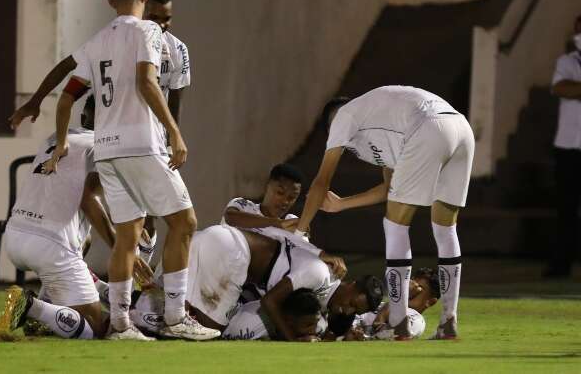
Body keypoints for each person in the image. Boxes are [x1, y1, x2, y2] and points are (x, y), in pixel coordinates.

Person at [45, 0, 217, 341]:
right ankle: (174, 318)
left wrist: (44, 114)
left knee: (128, 234)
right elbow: (147, 81)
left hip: (107, 147)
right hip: (142, 143)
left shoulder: (99, 39)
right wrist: (174, 131)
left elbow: (69, 89)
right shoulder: (148, 31)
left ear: (110, 1)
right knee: (184, 223)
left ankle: (121, 324)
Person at [295, 85, 474, 340]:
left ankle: (399, 323)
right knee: (446, 228)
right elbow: (389, 188)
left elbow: (321, 182)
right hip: (460, 129)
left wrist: (300, 232)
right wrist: (341, 204)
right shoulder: (380, 122)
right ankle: (448, 323)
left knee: (395, 226)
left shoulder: (343, 116)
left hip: (428, 127)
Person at [0, 96, 143, 340]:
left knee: (83, 240)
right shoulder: (104, 146)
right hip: (52, 245)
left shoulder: (55, 138)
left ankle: (44, 308)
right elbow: (88, 199)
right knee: (94, 326)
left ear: (83, 118)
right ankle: (30, 306)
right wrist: (121, 246)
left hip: (16, 234)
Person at [8, 0, 190, 129]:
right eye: (154, 17)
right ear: (142, 10)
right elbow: (66, 66)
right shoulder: (112, 40)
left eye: (167, 18)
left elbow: (175, 99)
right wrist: (35, 101)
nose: (161, 24)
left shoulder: (178, 49)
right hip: (116, 133)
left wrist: (172, 140)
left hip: (152, 137)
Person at [182, 224, 380, 341]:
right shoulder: (320, 274)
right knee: (211, 332)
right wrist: (292, 340)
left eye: (355, 312)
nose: (347, 311)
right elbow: (270, 301)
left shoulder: (324, 286)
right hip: (234, 252)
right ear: (351, 284)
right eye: (352, 303)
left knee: (188, 313)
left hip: (222, 240)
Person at [222, 163, 347, 277]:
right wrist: (278, 224)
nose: (285, 202)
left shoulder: (292, 224)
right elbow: (231, 218)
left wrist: (322, 257)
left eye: (292, 197)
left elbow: (303, 255)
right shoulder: (243, 206)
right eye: (280, 193)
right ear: (267, 186)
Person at [545, 15, 581, 278]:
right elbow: (560, 88)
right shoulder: (567, 61)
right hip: (568, 146)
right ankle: (561, 264)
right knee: (566, 208)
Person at [222, 289, 323, 341]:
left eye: (316, 323)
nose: (314, 330)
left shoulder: (318, 324)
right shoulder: (246, 327)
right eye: (308, 325)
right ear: (289, 321)